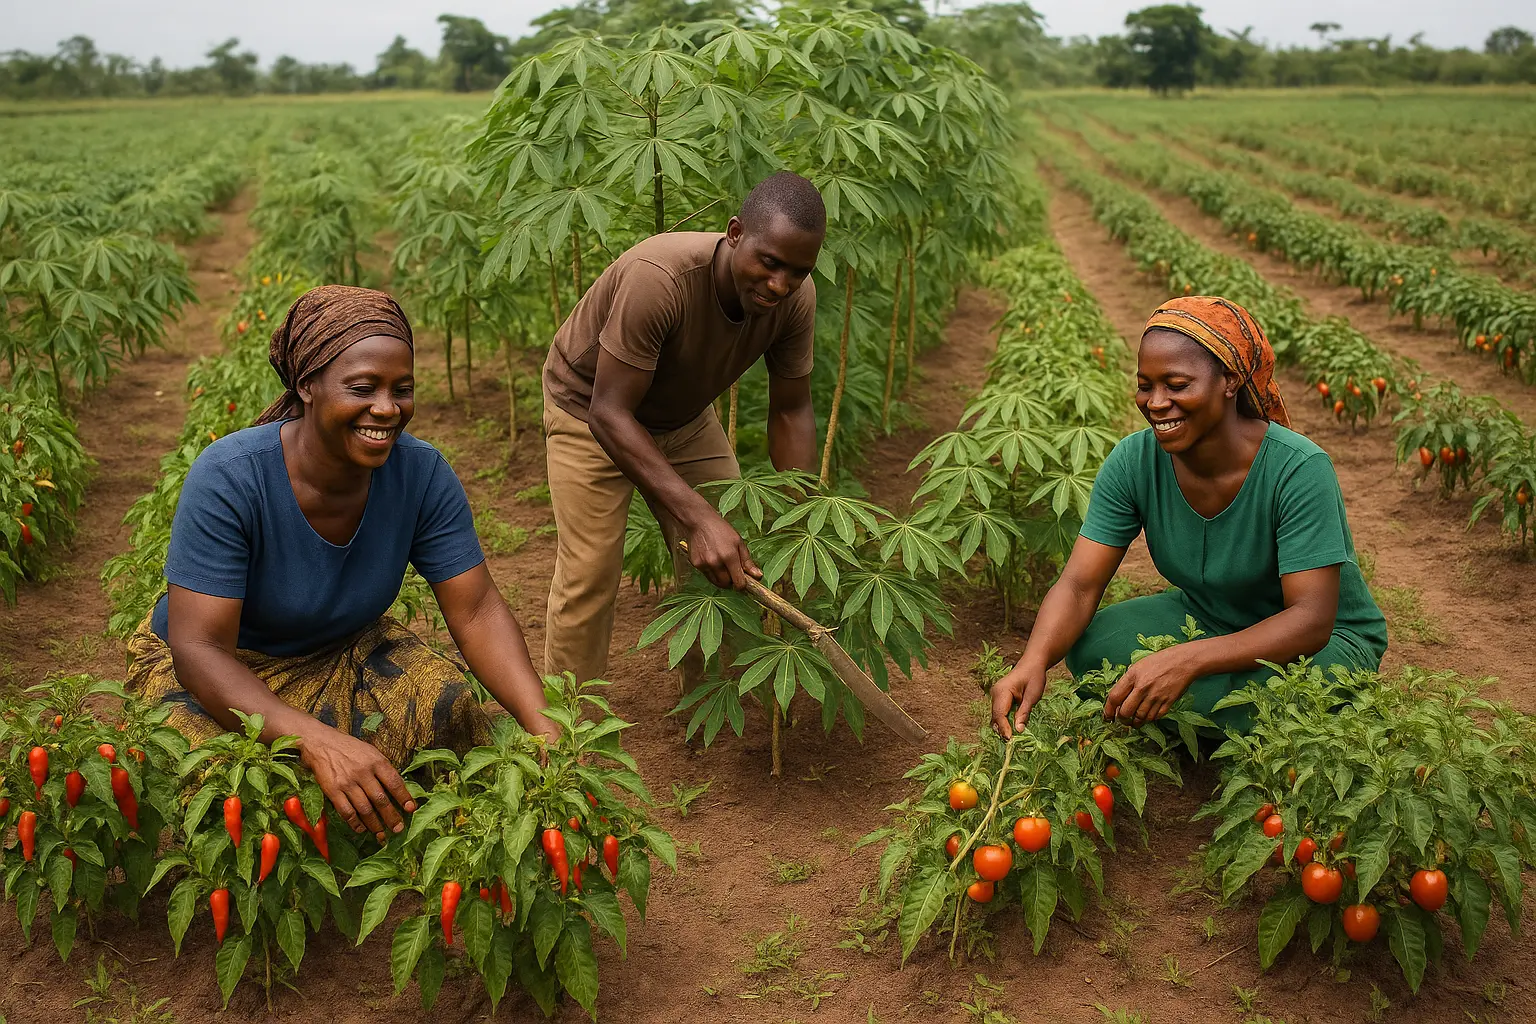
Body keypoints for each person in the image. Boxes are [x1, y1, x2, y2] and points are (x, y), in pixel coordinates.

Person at [127, 285, 557, 844]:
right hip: (220, 670)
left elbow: (474, 609)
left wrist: (544, 726)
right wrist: (316, 741)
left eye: (402, 389)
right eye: (363, 388)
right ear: (306, 385)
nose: (387, 408)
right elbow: (201, 650)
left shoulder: (420, 474)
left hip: (341, 651)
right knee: (238, 791)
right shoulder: (232, 477)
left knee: (448, 705)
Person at [990, 296, 1387, 736]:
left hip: (1318, 642)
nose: (1156, 403)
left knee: (1288, 693)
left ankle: (1209, 713)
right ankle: (1201, 711)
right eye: (1146, 385)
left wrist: (1187, 660)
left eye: (1177, 385)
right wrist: (1033, 661)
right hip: (1205, 616)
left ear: (1229, 381)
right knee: (1092, 649)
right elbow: (1080, 585)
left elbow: (1311, 619)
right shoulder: (1134, 461)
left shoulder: (1298, 468)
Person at [541, 171, 825, 684]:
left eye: (798, 272)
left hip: (684, 416)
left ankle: (711, 705)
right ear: (735, 233)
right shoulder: (661, 277)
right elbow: (610, 412)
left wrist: (802, 515)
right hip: (588, 410)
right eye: (769, 262)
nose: (780, 284)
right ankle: (565, 737)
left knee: (730, 562)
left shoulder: (794, 303)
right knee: (590, 576)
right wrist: (697, 517)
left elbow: (791, 409)